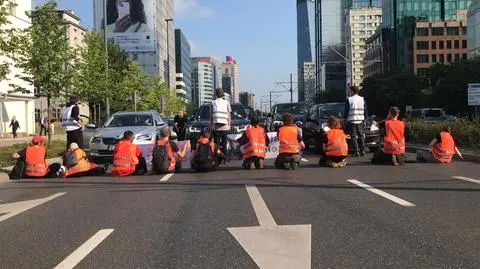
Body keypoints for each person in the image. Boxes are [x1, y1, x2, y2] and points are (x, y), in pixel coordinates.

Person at [344, 85, 368, 157]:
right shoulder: (362, 99)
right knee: (361, 135)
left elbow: (346, 111)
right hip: (360, 119)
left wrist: (345, 119)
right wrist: (365, 120)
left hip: (352, 120)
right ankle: (363, 150)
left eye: (350, 91)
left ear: (352, 91)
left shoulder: (349, 99)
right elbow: (365, 110)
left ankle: (356, 151)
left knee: (353, 136)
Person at [210, 88, 232, 162]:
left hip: (216, 126)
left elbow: (211, 116)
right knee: (224, 142)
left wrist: (211, 126)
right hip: (225, 126)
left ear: (216, 94)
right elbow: (229, 115)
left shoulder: (213, 102)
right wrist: (229, 125)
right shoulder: (226, 102)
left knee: (217, 144)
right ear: (222, 94)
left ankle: (217, 159)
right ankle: (225, 159)